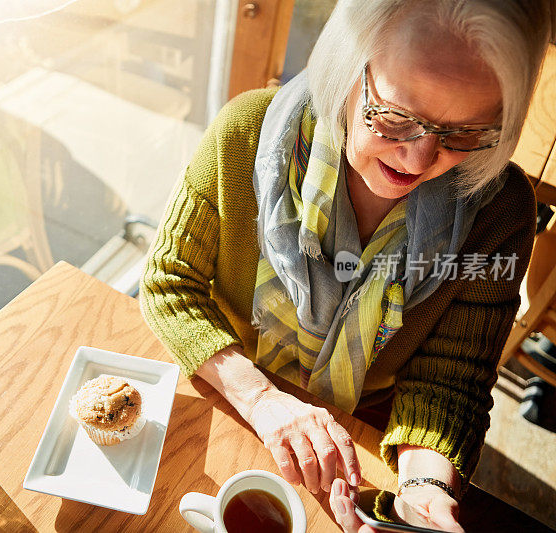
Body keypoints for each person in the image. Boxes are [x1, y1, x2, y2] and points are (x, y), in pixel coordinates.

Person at [139, 1, 555, 531]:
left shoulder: (500, 213)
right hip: (225, 391)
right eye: (396, 117)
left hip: (367, 433)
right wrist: (261, 399)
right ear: (346, 61)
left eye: (465, 134)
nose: (420, 160)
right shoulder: (246, 134)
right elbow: (169, 282)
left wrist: (422, 491)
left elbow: (450, 381)